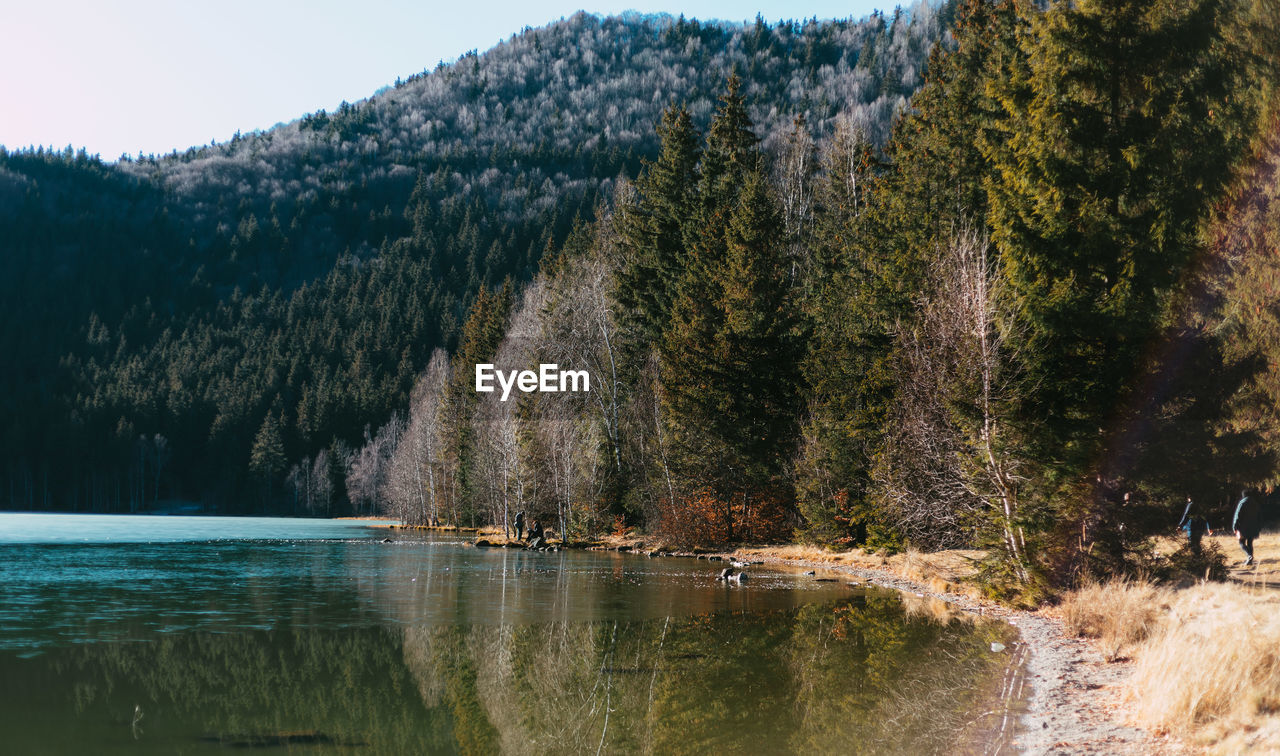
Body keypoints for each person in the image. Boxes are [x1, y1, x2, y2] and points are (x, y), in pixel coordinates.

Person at [1233, 489, 1262, 566]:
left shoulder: (1242, 503)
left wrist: (1235, 527)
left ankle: (1249, 556)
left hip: (1243, 527)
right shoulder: (1255, 503)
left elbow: (1237, 515)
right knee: (1250, 543)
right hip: (1254, 527)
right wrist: (1259, 526)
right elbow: (1259, 516)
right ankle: (1250, 561)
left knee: (1241, 542)